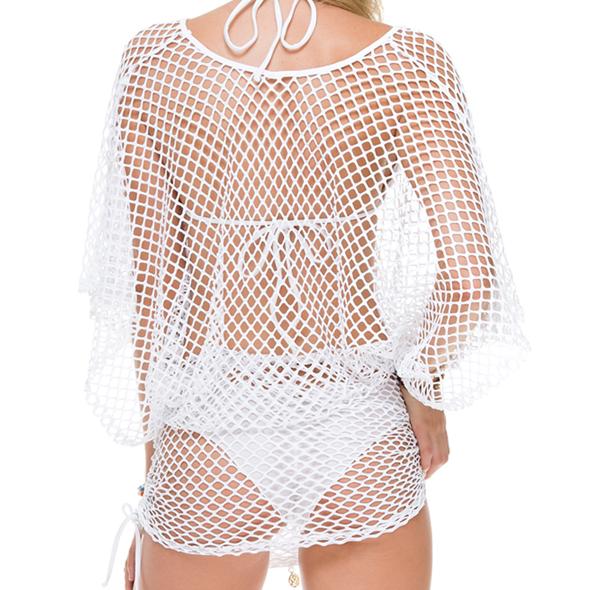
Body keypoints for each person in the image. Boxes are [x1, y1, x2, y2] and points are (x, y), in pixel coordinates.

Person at [78, 1, 530, 588]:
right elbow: (469, 280)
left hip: (209, 437)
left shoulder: (155, 60)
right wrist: (423, 391)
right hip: (362, 431)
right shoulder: (408, 61)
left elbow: (154, 298)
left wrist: (156, 489)